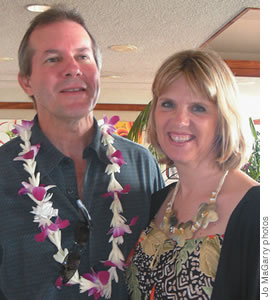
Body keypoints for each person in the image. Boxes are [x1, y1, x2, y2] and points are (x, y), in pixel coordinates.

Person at [0, 7, 164, 300]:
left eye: (83, 56)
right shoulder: (2, 173)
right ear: (26, 81)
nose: (72, 68)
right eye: (53, 58)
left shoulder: (142, 164)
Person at [125, 49, 260, 300]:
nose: (180, 119)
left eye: (198, 108)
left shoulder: (258, 210)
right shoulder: (157, 201)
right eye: (168, 104)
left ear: (223, 119)